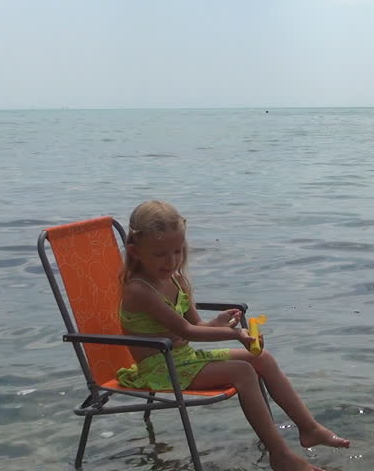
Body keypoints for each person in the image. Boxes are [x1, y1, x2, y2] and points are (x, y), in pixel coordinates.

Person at [117, 200, 349, 471]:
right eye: (160, 254)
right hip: (160, 369)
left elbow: (196, 325)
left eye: (177, 251)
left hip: (184, 358)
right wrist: (236, 334)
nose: (171, 261)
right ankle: (281, 456)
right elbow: (185, 331)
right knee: (243, 372)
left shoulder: (177, 280)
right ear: (135, 252)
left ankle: (309, 428)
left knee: (262, 358)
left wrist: (217, 323)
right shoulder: (139, 290)